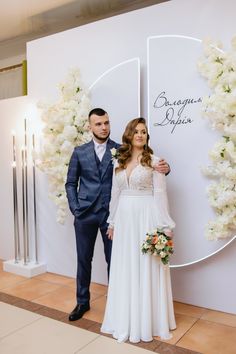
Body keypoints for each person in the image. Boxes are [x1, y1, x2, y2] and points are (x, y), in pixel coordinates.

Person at [65, 109, 170, 322]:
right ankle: (82, 302)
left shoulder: (121, 150)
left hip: (113, 216)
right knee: (83, 259)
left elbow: (146, 164)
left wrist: (166, 168)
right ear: (89, 126)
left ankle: (119, 305)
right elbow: (70, 183)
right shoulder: (79, 151)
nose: (104, 127)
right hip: (85, 214)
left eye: (106, 123)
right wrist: (76, 208)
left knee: (117, 260)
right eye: (98, 124)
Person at [101, 117, 176, 342]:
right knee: (126, 265)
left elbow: (161, 195)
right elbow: (115, 193)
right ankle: (125, 318)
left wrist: (165, 227)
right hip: (124, 219)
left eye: (144, 132)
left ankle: (147, 320)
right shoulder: (119, 160)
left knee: (146, 265)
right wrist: (112, 222)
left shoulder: (155, 161)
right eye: (136, 131)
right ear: (129, 135)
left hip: (146, 218)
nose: (140, 135)